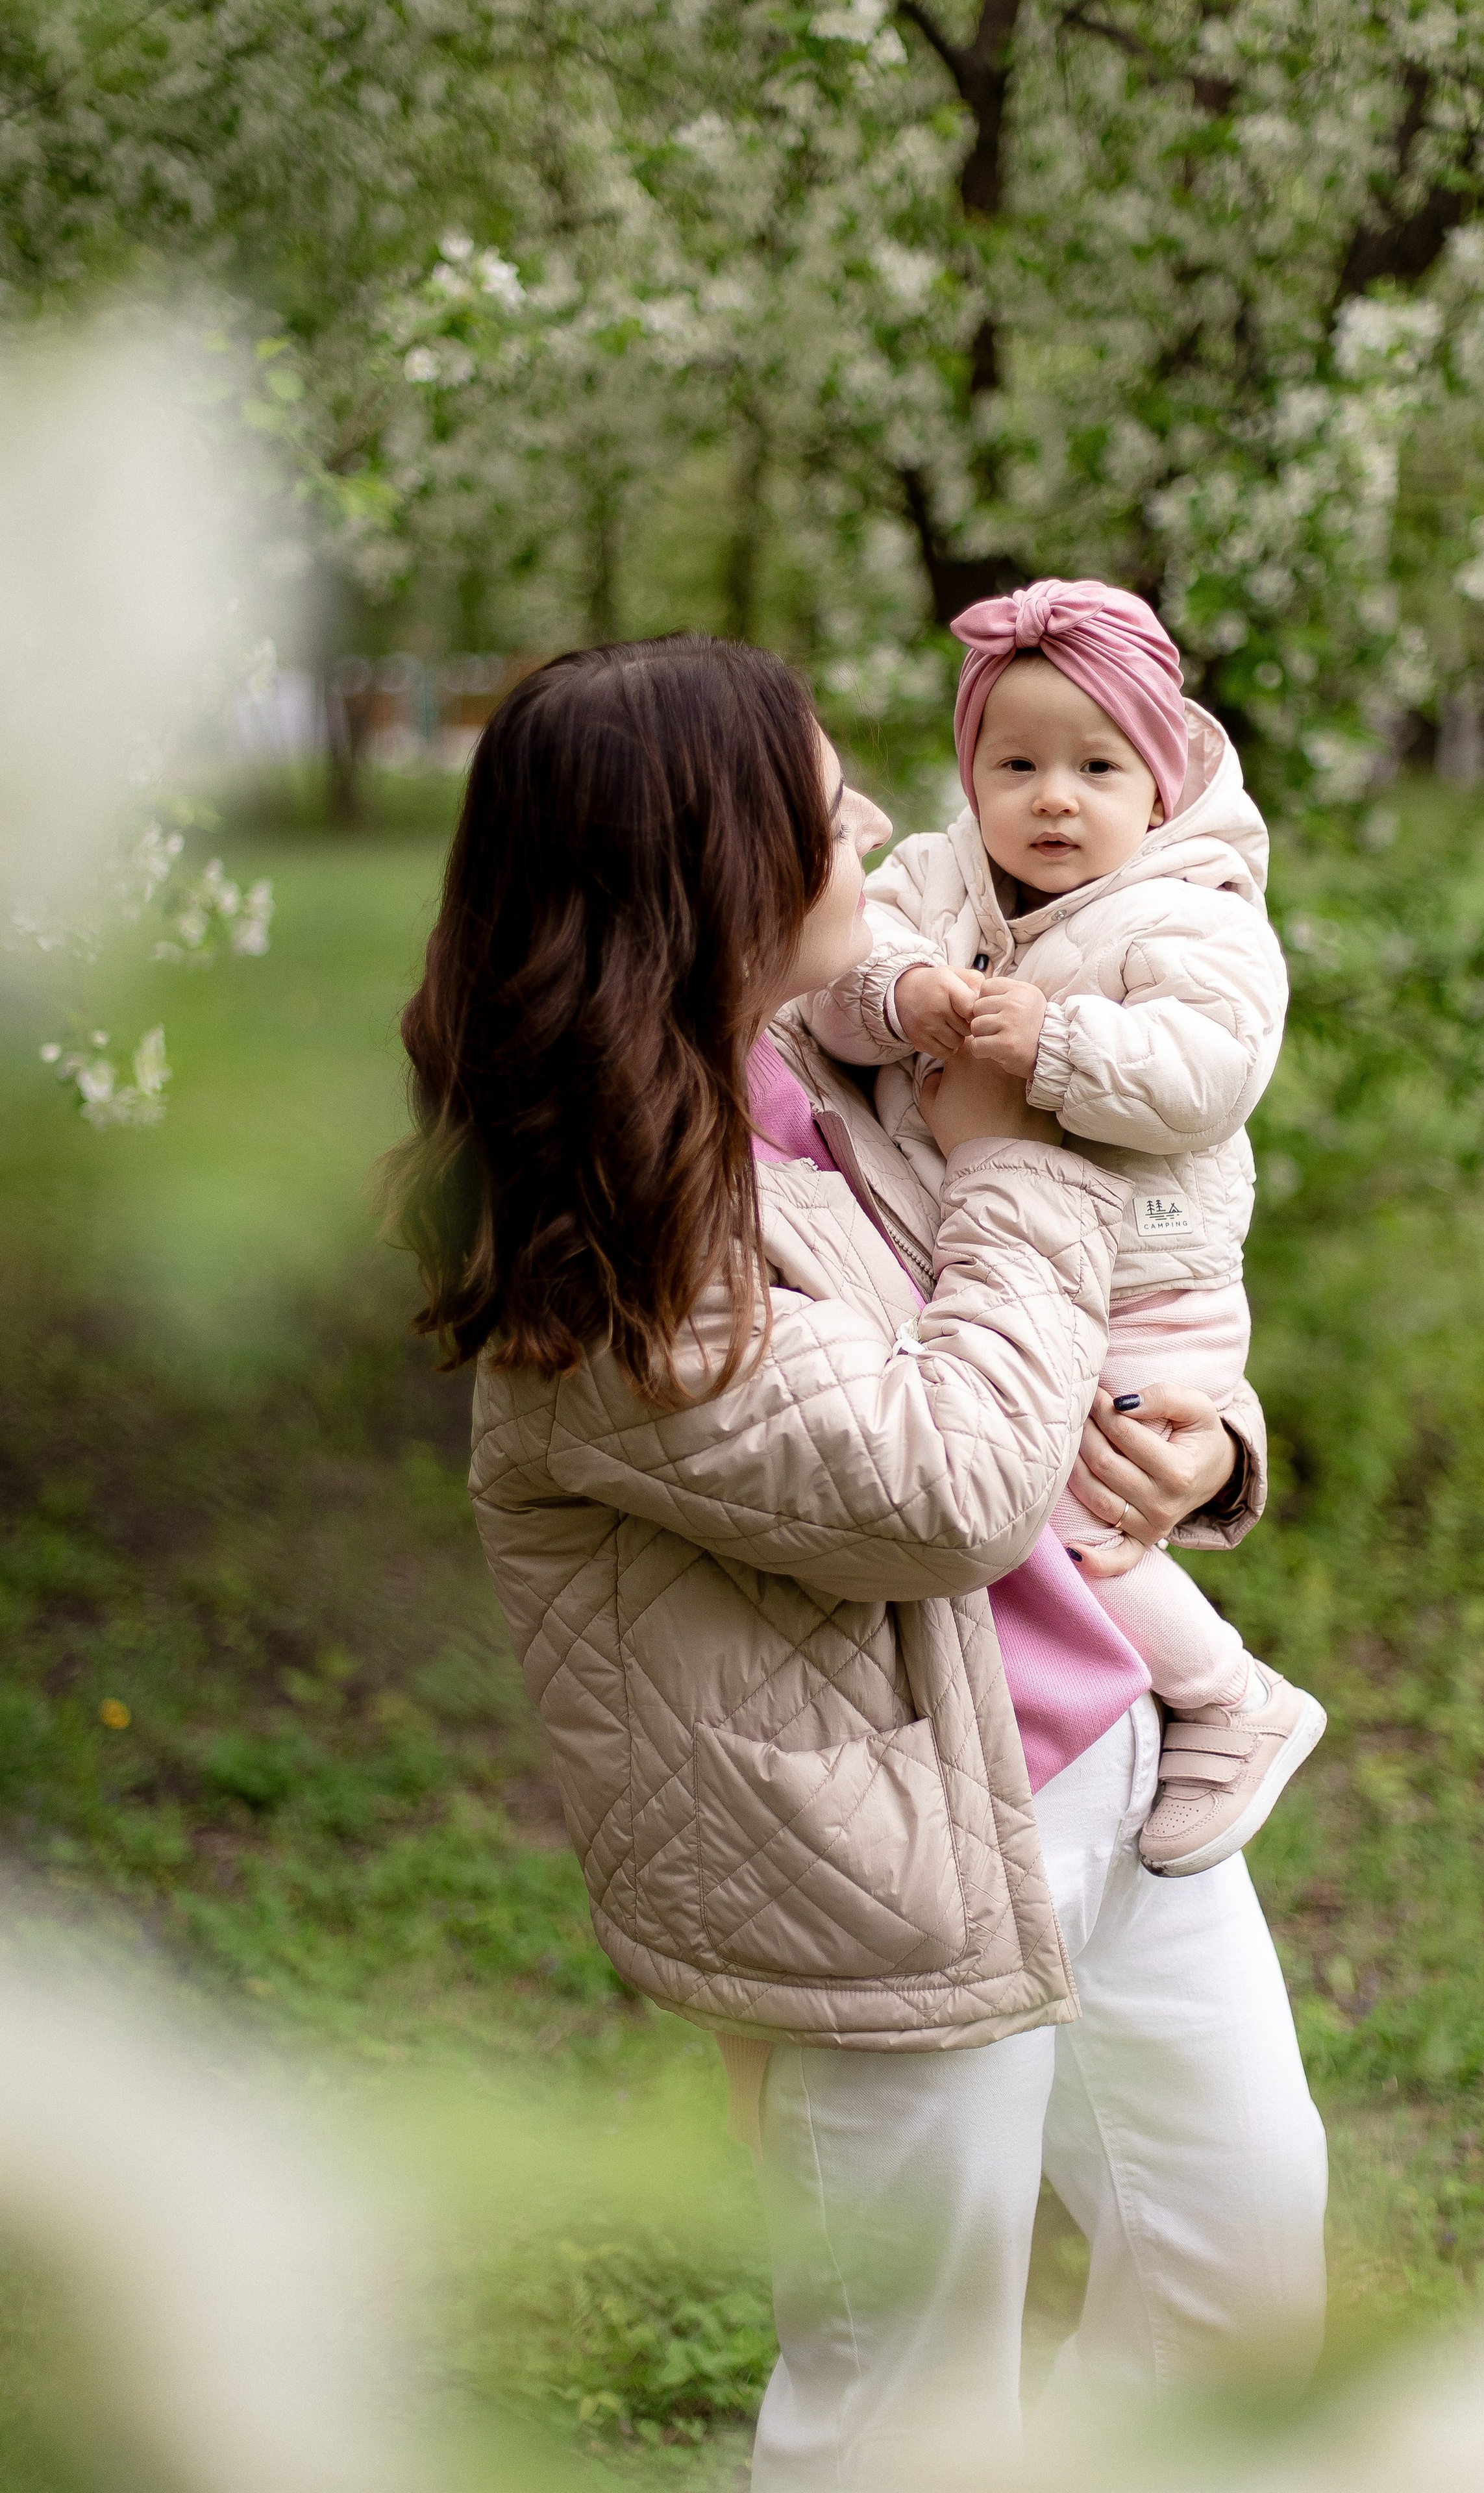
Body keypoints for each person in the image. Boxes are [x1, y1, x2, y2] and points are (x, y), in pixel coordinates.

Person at [389, 634, 1326, 2490]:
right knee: (906, 2402)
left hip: (1114, 1772)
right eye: (830, 813)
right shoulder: (610, 1241)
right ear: (717, 870)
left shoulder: (816, 1070)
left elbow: (1066, 1345)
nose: (884, 827)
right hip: (891, 1871)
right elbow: (954, 1481)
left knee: (1240, 2281)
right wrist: (1030, 1148)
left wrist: (1209, 1440)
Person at [804, 578, 1324, 1879]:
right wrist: (907, 991)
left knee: (1077, 1507)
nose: (1051, 797)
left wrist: (1056, 1047)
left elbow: (1208, 1071)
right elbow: (840, 971)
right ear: (968, 771)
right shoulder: (936, 875)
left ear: (1156, 787)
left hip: (1154, 1288)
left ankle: (1225, 1697)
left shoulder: (1192, 910)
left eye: (1095, 767)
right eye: (1015, 762)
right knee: (1031, 1491)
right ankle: (1124, 1712)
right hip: (1009, 1279)